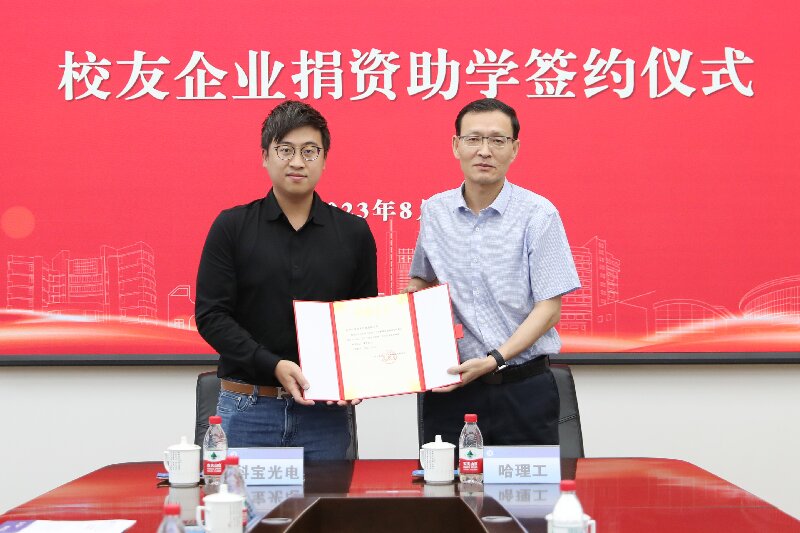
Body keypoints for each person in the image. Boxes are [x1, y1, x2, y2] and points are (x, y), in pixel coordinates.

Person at [195, 100, 377, 460]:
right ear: (265, 156)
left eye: (310, 151)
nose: (297, 161)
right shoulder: (231, 227)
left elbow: (363, 320)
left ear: (324, 160)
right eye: (285, 150)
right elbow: (211, 316)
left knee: (325, 500)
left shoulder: (354, 233)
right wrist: (273, 364)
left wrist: (358, 373)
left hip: (323, 416)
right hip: (247, 409)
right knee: (238, 500)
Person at [406, 98, 580, 448]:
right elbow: (422, 282)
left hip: (523, 389)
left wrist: (494, 360)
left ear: (514, 149)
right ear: (456, 146)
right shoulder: (435, 211)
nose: (484, 151)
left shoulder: (538, 214)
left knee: (526, 485)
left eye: (498, 140)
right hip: (453, 390)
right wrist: (400, 323)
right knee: (448, 483)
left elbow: (549, 310)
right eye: (473, 139)